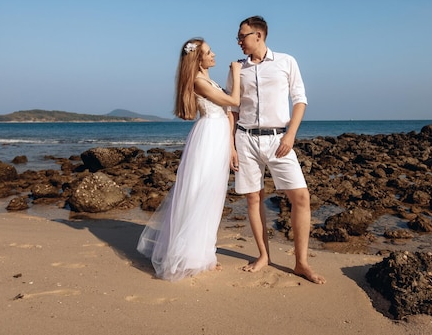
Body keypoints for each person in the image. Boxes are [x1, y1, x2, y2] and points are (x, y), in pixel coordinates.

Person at [226, 16, 325, 284]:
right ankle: (263, 256)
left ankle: (301, 263)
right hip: (245, 139)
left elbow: (300, 99)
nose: (238, 42)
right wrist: (231, 146)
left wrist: (290, 135)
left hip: (279, 140)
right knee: (253, 199)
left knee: (301, 197)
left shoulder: (286, 61)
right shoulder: (238, 69)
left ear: (259, 35)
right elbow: (232, 109)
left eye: (242, 36)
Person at [137, 38, 242, 282]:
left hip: (218, 137)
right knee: (200, 194)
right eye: (208, 52)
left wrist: (232, 146)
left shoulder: (208, 79)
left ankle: (205, 253)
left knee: (214, 195)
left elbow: (227, 114)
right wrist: (236, 74)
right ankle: (191, 255)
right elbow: (233, 102)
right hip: (207, 138)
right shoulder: (198, 81)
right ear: (198, 59)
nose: (213, 54)